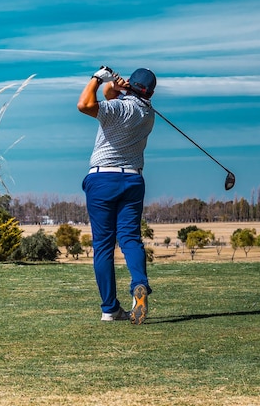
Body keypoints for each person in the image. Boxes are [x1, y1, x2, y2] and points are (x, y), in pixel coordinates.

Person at [77, 66, 156, 325]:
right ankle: (139, 285)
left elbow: (84, 105)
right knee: (130, 238)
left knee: (103, 247)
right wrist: (116, 85)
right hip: (133, 179)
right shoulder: (147, 114)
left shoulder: (118, 109)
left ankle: (110, 308)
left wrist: (97, 78)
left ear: (131, 86)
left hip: (103, 180)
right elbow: (114, 99)